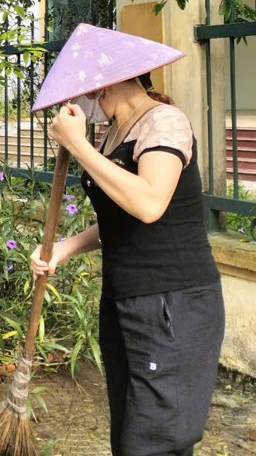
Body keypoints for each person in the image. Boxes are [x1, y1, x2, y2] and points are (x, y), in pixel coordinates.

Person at [28, 24, 224, 456]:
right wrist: (65, 247)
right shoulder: (116, 131)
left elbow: (150, 203)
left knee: (154, 440)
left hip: (172, 303)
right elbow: (123, 218)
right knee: (133, 431)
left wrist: (80, 148)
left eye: (86, 90)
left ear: (109, 82)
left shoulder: (164, 122)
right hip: (127, 301)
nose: (82, 101)